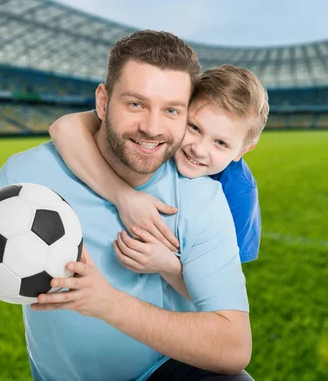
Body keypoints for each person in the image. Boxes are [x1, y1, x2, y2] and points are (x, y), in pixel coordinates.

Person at [0, 30, 253, 381]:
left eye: (172, 110)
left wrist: (108, 304)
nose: (151, 127)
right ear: (102, 101)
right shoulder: (24, 177)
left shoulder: (198, 196)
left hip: (167, 371)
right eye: (135, 104)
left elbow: (234, 349)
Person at [49, 65, 268, 300]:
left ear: (243, 150)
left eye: (221, 143)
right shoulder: (155, 132)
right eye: (194, 127)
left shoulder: (239, 193)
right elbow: (63, 127)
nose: (199, 149)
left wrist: (167, 266)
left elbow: (220, 296)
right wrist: (123, 197)